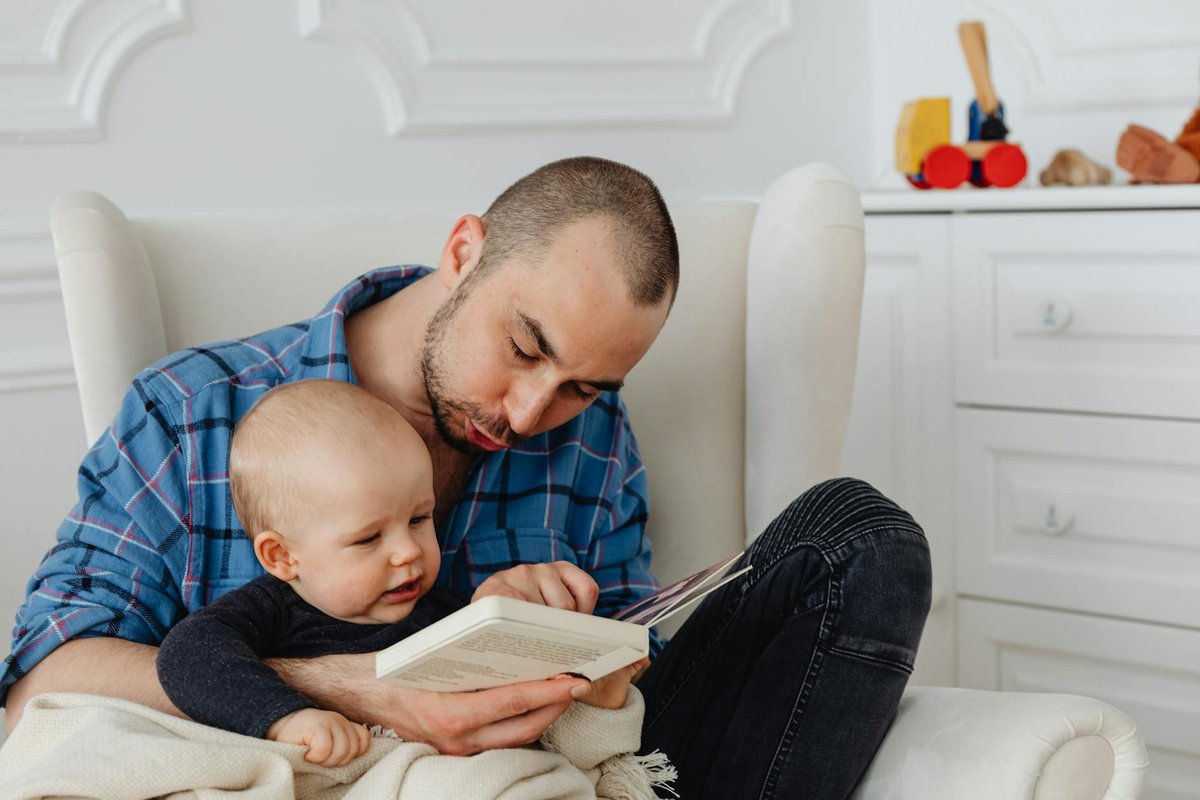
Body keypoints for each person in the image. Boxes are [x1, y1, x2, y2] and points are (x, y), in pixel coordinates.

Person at [3, 156, 931, 798]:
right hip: (326, 776)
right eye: (526, 348)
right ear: (462, 252)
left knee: (859, 536)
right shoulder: (193, 410)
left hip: (553, 772)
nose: (529, 415)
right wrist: (358, 686)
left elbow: (625, 691)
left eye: (580, 385)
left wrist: (588, 642)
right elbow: (44, 687)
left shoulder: (593, 434)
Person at [153, 378, 661, 794]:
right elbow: (186, 657)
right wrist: (287, 718)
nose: (408, 553)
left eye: (420, 519)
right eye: (369, 537)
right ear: (282, 556)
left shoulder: (446, 614)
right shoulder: (268, 611)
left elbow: (532, 730)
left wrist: (597, 692)